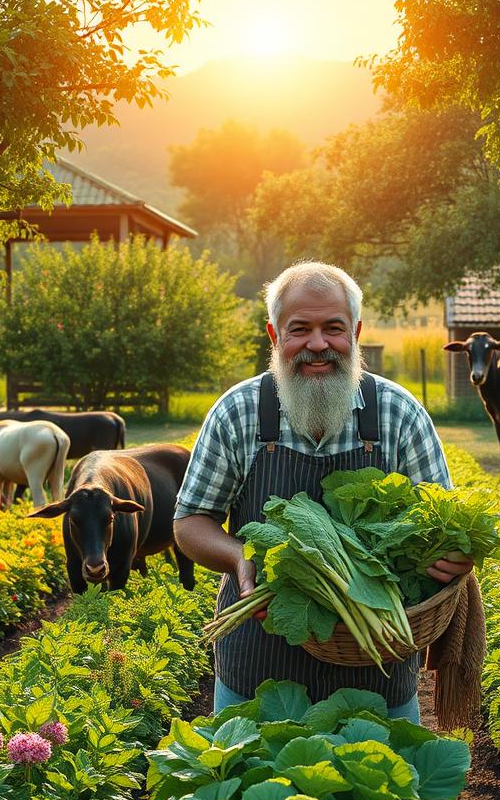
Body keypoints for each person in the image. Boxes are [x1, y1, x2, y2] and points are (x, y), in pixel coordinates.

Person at [173, 262, 473, 721]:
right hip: (259, 662)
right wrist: (240, 557)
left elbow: (441, 520)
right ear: (274, 335)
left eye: (333, 328)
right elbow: (190, 520)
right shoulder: (238, 412)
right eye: (300, 329)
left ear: (355, 332)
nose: (317, 344)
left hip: (378, 663)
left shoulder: (399, 413)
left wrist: (450, 554)